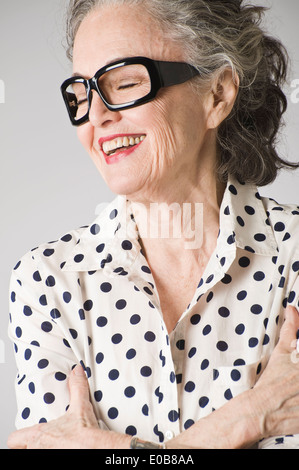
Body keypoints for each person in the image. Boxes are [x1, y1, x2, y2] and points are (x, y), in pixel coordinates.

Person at [7, 0, 299, 449]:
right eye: (82, 94)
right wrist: (248, 418)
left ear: (217, 94)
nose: (97, 116)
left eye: (124, 83)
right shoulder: (46, 283)